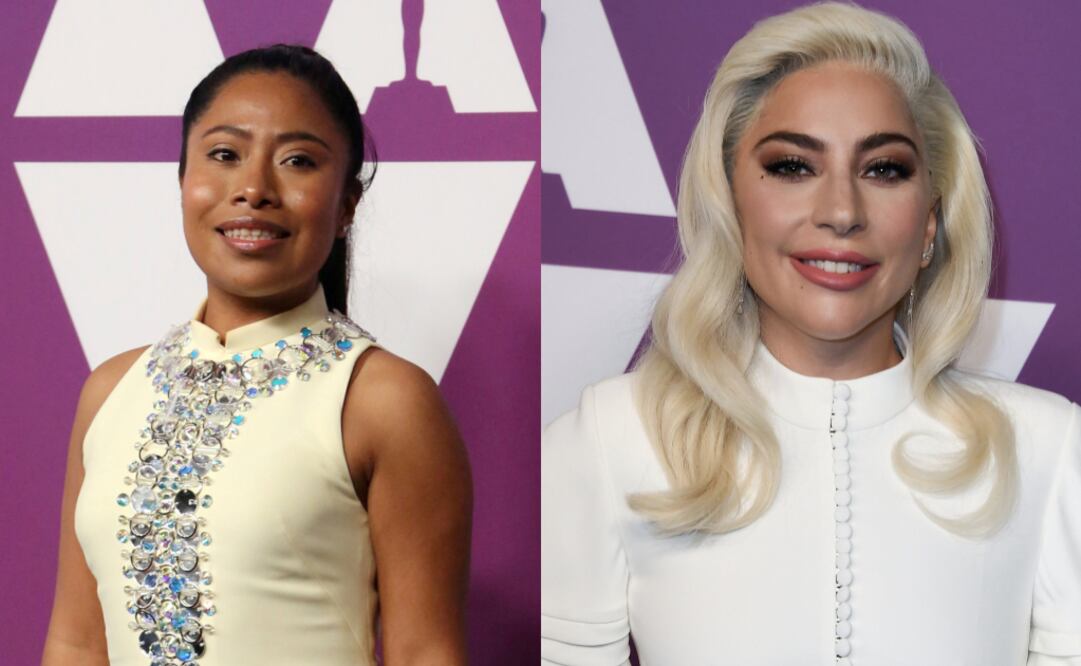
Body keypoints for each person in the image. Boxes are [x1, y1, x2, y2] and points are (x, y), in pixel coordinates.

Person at [541, 3, 1080, 665]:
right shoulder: (607, 440)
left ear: (930, 224)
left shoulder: (1049, 452)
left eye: (883, 169)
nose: (840, 212)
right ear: (729, 202)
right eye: (792, 166)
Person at [41, 44, 472, 666]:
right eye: (223, 154)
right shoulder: (111, 389)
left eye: (298, 161)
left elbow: (425, 652)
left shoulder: (386, 399)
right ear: (183, 180)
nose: (253, 188)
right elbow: (76, 642)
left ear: (347, 204)